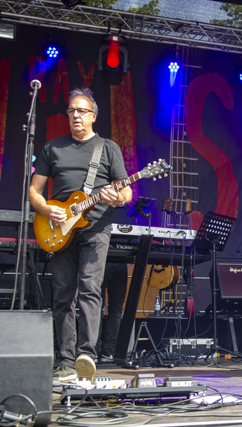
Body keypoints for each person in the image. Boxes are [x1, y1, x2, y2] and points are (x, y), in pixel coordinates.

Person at [30, 88, 131, 382]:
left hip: (96, 229)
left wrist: (118, 198)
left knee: (90, 289)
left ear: (93, 116)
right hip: (60, 229)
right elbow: (34, 191)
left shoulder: (107, 148)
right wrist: (47, 209)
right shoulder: (52, 148)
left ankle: (86, 355)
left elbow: (126, 190)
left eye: (82, 111)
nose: (76, 115)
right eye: (72, 110)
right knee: (63, 294)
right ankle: (65, 361)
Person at [96, 263, 128, 363]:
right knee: (116, 310)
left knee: (95, 308)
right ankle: (108, 352)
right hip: (121, 263)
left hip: (101, 263)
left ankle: (94, 350)